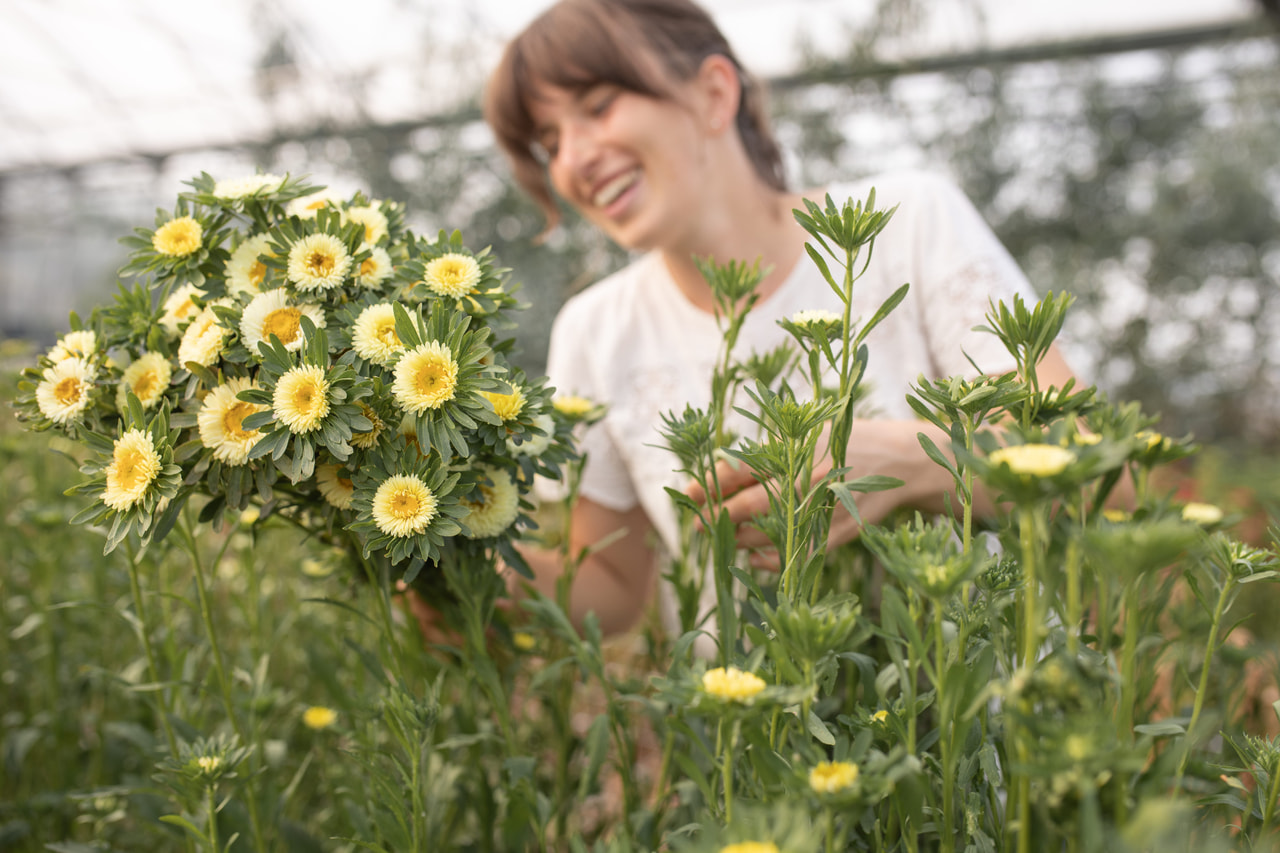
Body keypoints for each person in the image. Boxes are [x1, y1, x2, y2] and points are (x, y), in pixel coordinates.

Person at [481, 0, 1078, 640]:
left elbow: (1090, 462)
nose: (574, 159)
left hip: (981, 720)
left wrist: (903, 460)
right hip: (754, 727)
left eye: (597, 107)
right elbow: (615, 589)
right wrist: (450, 564)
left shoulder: (910, 222)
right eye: (550, 143)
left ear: (714, 93)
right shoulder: (594, 331)